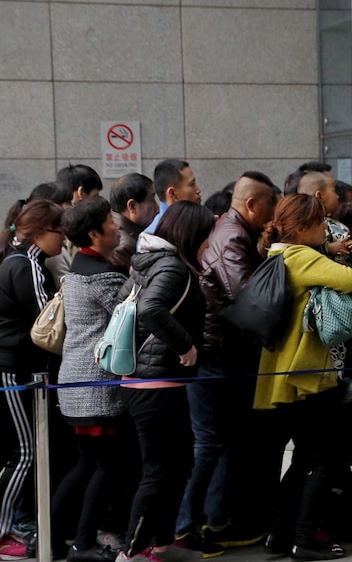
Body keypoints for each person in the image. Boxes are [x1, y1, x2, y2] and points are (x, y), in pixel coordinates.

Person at [254, 195, 352, 561]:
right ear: (303, 228)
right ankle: (305, 540)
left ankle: (279, 534)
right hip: (309, 375)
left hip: (287, 374)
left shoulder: (278, 254)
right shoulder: (301, 256)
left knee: (304, 458)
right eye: (320, 223)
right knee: (323, 459)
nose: (325, 228)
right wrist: (332, 255)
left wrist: (326, 247)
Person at [175, 172, 277, 554]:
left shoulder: (235, 233)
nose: (271, 215)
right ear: (252, 203)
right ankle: (189, 525)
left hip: (225, 356)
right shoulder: (232, 236)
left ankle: (215, 519)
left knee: (221, 443)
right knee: (209, 444)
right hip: (217, 356)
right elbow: (245, 297)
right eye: (268, 206)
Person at [0, 200, 65, 561]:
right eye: (59, 230)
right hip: (8, 370)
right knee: (24, 452)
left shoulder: (10, 262)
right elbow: (50, 322)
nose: (63, 239)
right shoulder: (29, 266)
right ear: (39, 232)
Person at [115, 201, 215, 562]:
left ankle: (159, 543)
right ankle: (130, 552)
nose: (209, 243)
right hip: (155, 385)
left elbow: (122, 301)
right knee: (159, 471)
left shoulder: (148, 261)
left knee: (178, 465)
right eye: (207, 236)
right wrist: (185, 345)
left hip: (148, 381)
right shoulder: (173, 267)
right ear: (193, 235)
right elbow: (150, 309)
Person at [50, 197, 127, 562]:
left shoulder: (79, 267)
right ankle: (82, 544)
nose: (118, 226)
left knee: (84, 465)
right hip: (96, 384)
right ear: (94, 233)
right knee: (103, 467)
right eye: (112, 222)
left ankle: (50, 537)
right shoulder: (104, 277)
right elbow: (130, 318)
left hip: (75, 380)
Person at [109, 173, 159, 272]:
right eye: (152, 199)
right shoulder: (122, 246)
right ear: (132, 206)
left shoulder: (125, 233)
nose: (157, 208)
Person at [144, 159, 202, 235]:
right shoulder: (154, 237)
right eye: (192, 184)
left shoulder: (195, 223)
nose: (198, 190)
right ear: (172, 194)